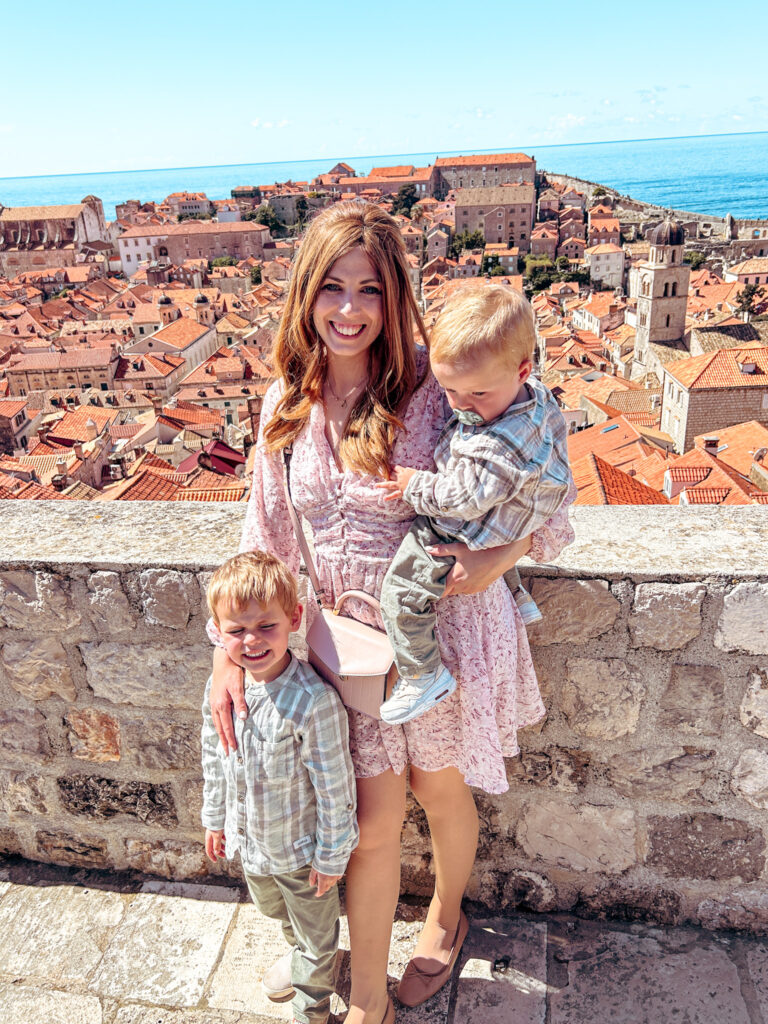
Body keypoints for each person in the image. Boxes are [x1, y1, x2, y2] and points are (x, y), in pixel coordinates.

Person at [207, 200, 574, 1024]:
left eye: (368, 289)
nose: (348, 309)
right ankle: (366, 994)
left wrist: (493, 561)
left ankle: (444, 918)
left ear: (393, 295)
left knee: (441, 791)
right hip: (344, 646)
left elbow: (545, 503)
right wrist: (228, 655)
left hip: (439, 633)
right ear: (305, 294)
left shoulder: (436, 385)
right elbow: (261, 537)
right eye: (331, 288)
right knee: (371, 824)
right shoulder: (284, 405)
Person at [376, 284, 572, 724]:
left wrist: (412, 485)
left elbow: (460, 500)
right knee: (507, 523)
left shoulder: (494, 445)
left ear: (522, 369)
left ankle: (424, 675)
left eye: (476, 395)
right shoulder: (535, 400)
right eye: (449, 392)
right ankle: (517, 592)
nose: (461, 408)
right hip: (512, 521)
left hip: (457, 530)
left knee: (401, 595)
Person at [202, 550, 358, 1024]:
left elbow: (335, 786)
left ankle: (311, 1005)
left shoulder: (313, 701)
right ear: (218, 631)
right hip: (253, 847)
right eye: (236, 630)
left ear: (294, 618)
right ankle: (301, 957)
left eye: (266, 626)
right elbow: (215, 757)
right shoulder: (223, 691)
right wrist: (215, 818)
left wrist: (332, 856)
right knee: (276, 914)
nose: (251, 641)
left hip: (302, 856)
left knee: (316, 935)